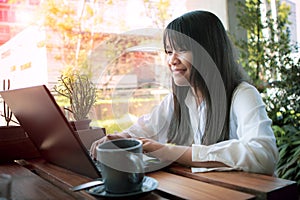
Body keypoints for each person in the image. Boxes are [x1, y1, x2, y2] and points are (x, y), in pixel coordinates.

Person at [90, 10, 278, 175]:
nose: (172, 60)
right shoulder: (179, 99)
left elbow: (264, 155)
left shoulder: (242, 94)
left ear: (208, 52)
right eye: (169, 51)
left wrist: (170, 151)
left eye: (181, 50)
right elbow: (145, 128)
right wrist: (120, 138)